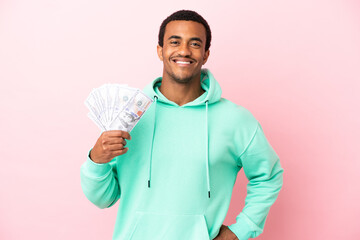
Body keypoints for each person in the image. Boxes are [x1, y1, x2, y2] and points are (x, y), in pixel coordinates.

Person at [81, 10, 283, 240]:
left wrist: (241, 230)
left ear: (206, 54)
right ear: (160, 50)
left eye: (195, 43)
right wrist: (96, 160)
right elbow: (103, 198)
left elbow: (269, 175)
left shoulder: (235, 120)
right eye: (174, 41)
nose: (184, 50)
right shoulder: (129, 115)